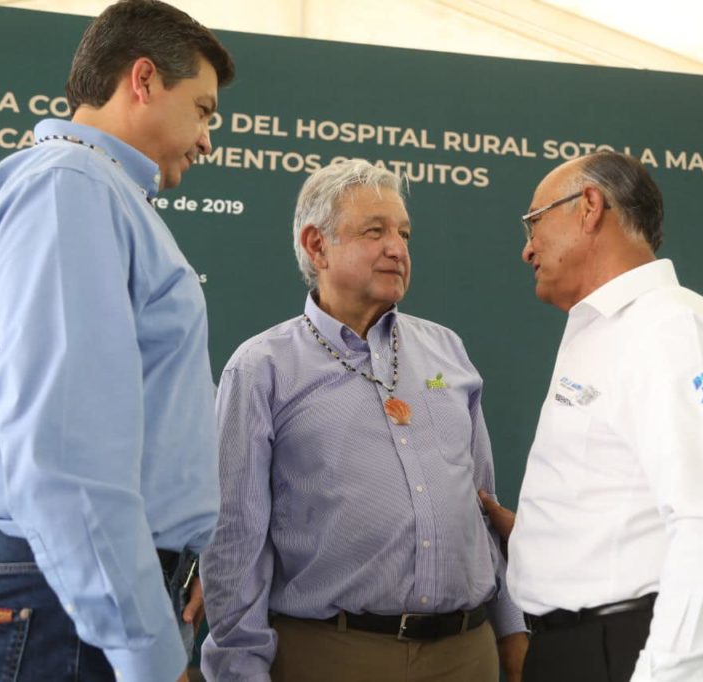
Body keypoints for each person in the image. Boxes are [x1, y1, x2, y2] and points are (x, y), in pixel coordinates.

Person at [0, 2, 234, 680]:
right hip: (58, 600)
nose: (208, 140)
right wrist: (146, 652)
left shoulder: (91, 189)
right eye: (203, 110)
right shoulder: (71, 184)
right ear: (143, 80)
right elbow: (67, 449)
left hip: (64, 593)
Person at [200, 159, 528, 682]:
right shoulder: (262, 367)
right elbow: (235, 542)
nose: (397, 248)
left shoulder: (447, 349)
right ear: (317, 246)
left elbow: (483, 504)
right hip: (333, 655)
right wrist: (239, 671)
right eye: (375, 231)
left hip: (468, 652)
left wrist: (512, 628)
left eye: (404, 233)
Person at [487, 150, 703, 682]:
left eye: (534, 221)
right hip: (577, 648)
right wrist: (536, 538)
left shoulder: (671, 329)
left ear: (589, 206)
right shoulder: (608, 330)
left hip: (629, 652)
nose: (527, 248)